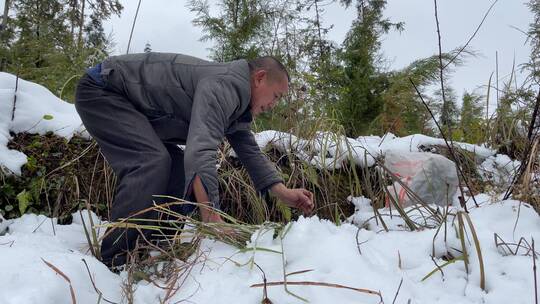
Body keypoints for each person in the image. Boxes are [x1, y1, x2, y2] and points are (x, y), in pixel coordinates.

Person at [75, 52, 314, 267]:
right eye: (275, 96)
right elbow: (200, 152)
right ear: (260, 77)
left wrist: (283, 192)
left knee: (177, 169)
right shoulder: (225, 85)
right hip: (103, 90)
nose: (273, 105)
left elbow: (248, 150)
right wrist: (212, 217)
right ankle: (113, 258)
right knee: (152, 162)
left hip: (132, 107)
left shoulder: (237, 105)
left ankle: (157, 248)